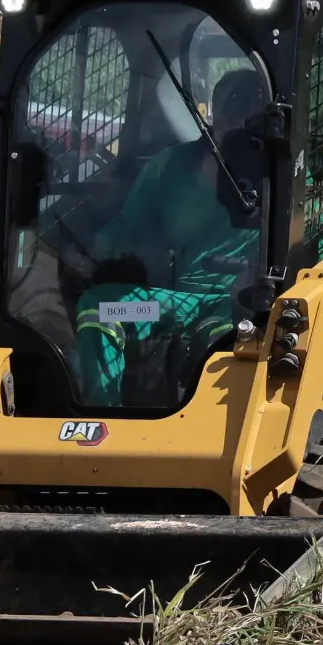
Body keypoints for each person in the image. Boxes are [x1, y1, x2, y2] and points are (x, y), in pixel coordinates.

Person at [71, 68, 265, 410]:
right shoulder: (170, 168)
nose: (233, 127)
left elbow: (315, 250)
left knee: (217, 338)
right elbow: (126, 228)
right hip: (174, 305)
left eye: (247, 118)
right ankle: (102, 419)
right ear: (212, 116)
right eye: (229, 115)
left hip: (239, 308)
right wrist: (96, 248)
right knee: (101, 309)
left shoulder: (284, 177)